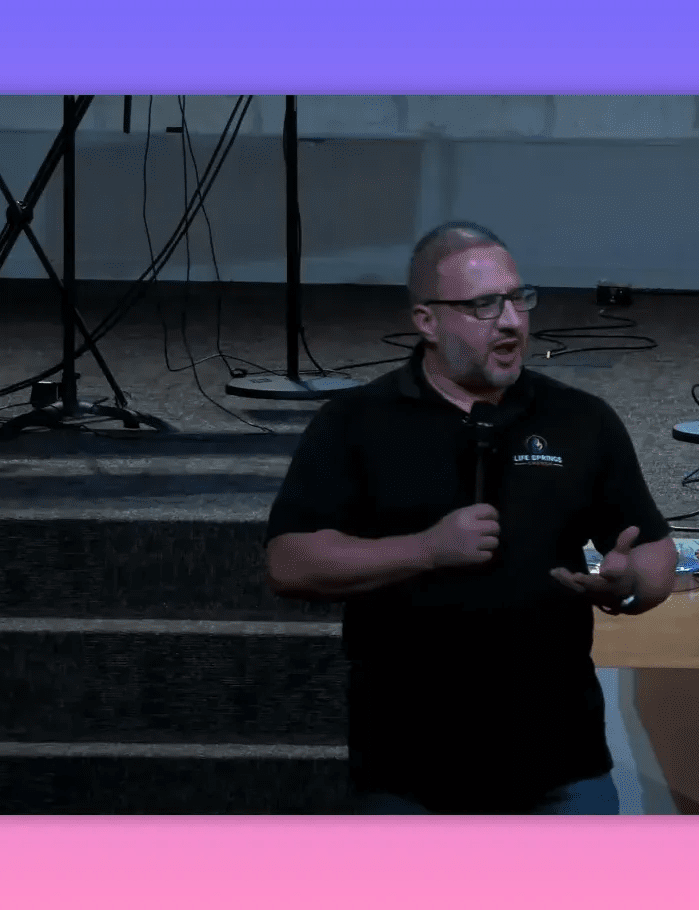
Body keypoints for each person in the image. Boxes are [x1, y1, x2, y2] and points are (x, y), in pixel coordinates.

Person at [263, 221, 678, 814]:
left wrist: (630, 583)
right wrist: (427, 550)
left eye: (518, 298)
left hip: (561, 766)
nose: (511, 321)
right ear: (426, 320)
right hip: (408, 776)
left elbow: (653, 548)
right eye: (484, 305)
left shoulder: (579, 419)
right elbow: (289, 561)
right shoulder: (357, 421)